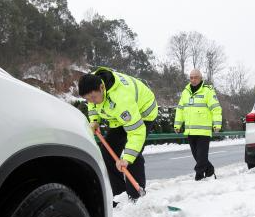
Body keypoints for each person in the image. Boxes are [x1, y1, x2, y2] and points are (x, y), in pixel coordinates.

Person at [78, 67, 159, 201]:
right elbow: (92, 105)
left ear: (102, 87)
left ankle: (135, 196)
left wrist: (126, 159)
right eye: (88, 99)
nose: (91, 101)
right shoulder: (91, 83)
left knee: (133, 154)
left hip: (143, 114)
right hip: (118, 117)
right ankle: (119, 193)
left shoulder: (122, 99)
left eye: (93, 97)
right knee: (108, 153)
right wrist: (94, 120)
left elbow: (136, 133)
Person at [173, 69, 223, 180]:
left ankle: (199, 175)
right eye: (191, 77)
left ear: (201, 78)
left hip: (203, 131)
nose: (193, 80)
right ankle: (210, 171)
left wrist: (217, 124)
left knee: (201, 156)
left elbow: (216, 108)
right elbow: (180, 109)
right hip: (190, 130)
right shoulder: (185, 92)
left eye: (195, 77)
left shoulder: (207, 91)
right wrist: (177, 125)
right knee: (197, 156)